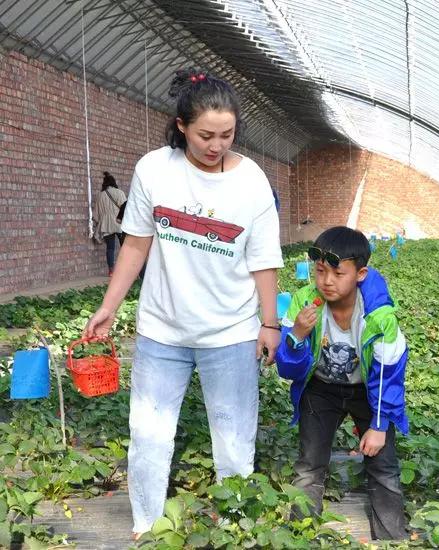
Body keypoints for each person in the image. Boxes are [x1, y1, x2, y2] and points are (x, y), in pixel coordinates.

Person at [83, 68, 283, 537]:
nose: (217, 146)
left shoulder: (251, 179)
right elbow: (135, 244)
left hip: (230, 333)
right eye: (206, 135)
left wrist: (269, 324)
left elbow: (263, 260)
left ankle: (235, 525)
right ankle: (146, 526)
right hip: (161, 330)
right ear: (181, 127)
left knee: (234, 441)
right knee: (148, 437)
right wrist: (110, 305)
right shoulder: (154, 169)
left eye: (228, 135)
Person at [275, 226, 409, 540]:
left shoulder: (379, 317)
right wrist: (296, 336)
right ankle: (300, 536)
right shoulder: (303, 303)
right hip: (320, 389)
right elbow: (287, 369)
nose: (327, 281)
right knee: (309, 464)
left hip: (368, 391)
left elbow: (389, 374)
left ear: (360, 274)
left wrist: (378, 424)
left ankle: (391, 539)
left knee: (383, 465)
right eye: (321, 272)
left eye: (338, 273)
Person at [93, 171, 127, 275]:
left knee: (110, 248)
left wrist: (100, 222)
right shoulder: (119, 193)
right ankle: (125, 270)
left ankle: (111, 271)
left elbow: (96, 214)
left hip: (106, 225)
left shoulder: (100, 196)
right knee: (125, 247)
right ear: (113, 183)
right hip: (119, 222)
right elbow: (125, 207)